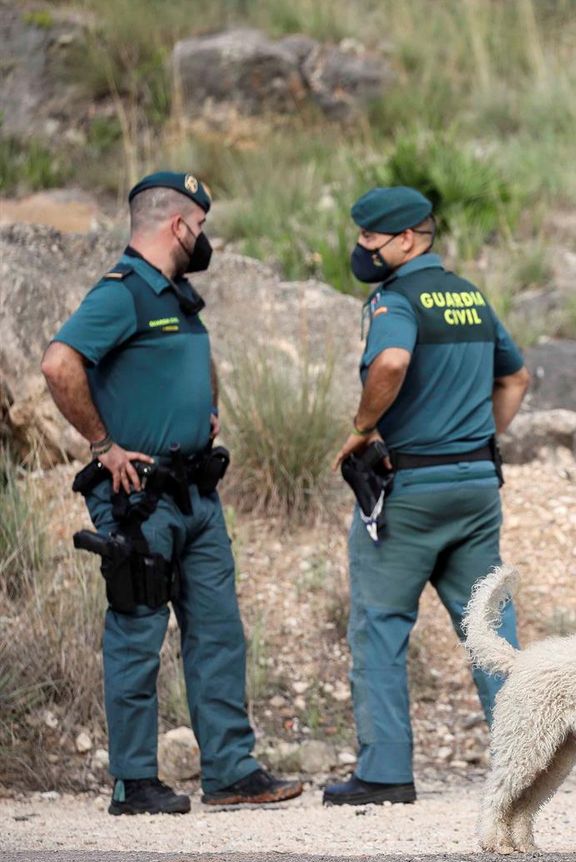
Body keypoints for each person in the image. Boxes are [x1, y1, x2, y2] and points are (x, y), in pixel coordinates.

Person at [40, 171, 303, 815]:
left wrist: (207, 408)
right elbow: (58, 363)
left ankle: (231, 772)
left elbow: (192, 364)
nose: (205, 238)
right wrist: (103, 446)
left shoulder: (178, 296)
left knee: (217, 633)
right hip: (138, 499)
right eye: (202, 226)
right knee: (137, 634)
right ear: (179, 226)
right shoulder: (122, 293)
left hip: (196, 493)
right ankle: (135, 782)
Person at [323, 186, 533, 806]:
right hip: (475, 485)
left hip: (410, 490)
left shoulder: (396, 300)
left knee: (380, 624)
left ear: (408, 239)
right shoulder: (471, 296)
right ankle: (523, 762)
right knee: (490, 623)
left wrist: (362, 429)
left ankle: (385, 772)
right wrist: (479, 440)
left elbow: (388, 365)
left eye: (370, 238)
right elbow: (516, 376)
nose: (361, 248)